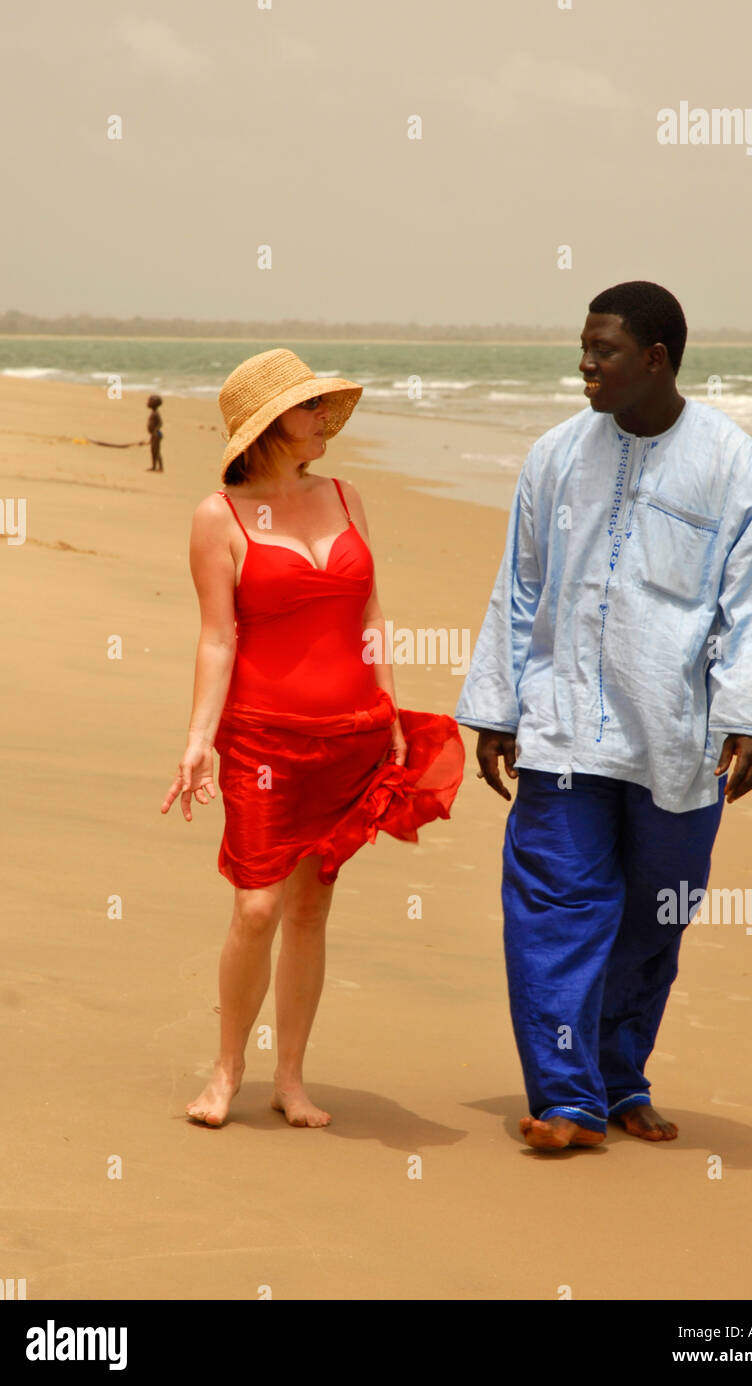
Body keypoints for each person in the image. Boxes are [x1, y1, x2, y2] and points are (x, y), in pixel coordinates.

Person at [455, 281, 752, 1151]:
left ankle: (618, 1078)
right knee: (554, 911)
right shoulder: (556, 455)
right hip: (560, 728)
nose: (584, 364)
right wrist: (494, 707)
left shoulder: (729, 462)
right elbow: (520, 586)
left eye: (601, 351)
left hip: (676, 740)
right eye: (582, 346)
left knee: (656, 916)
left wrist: (750, 716)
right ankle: (565, 1099)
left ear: (654, 359)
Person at [161, 349, 464, 1129]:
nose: (324, 418)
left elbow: (368, 614)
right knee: (257, 907)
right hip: (262, 742)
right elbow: (217, 639)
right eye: (309, 409)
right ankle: (226, 1069)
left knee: (310, 906)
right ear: (266, 425)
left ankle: (289, 1079)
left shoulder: (347, 496)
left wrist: (390, 709)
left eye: (324, 406)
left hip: (351, 735)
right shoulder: (217, 518)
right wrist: (197, 740)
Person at [146, 394, 163, 471]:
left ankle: (160, 467)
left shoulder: (156, 413)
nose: (148, 403)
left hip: (156, 435)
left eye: (149, 401)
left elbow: (160, 423)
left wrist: (155, 431)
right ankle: (154, 466)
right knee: (153, 451)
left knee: (156, 451)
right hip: (154, 434)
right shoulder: (153, 413)